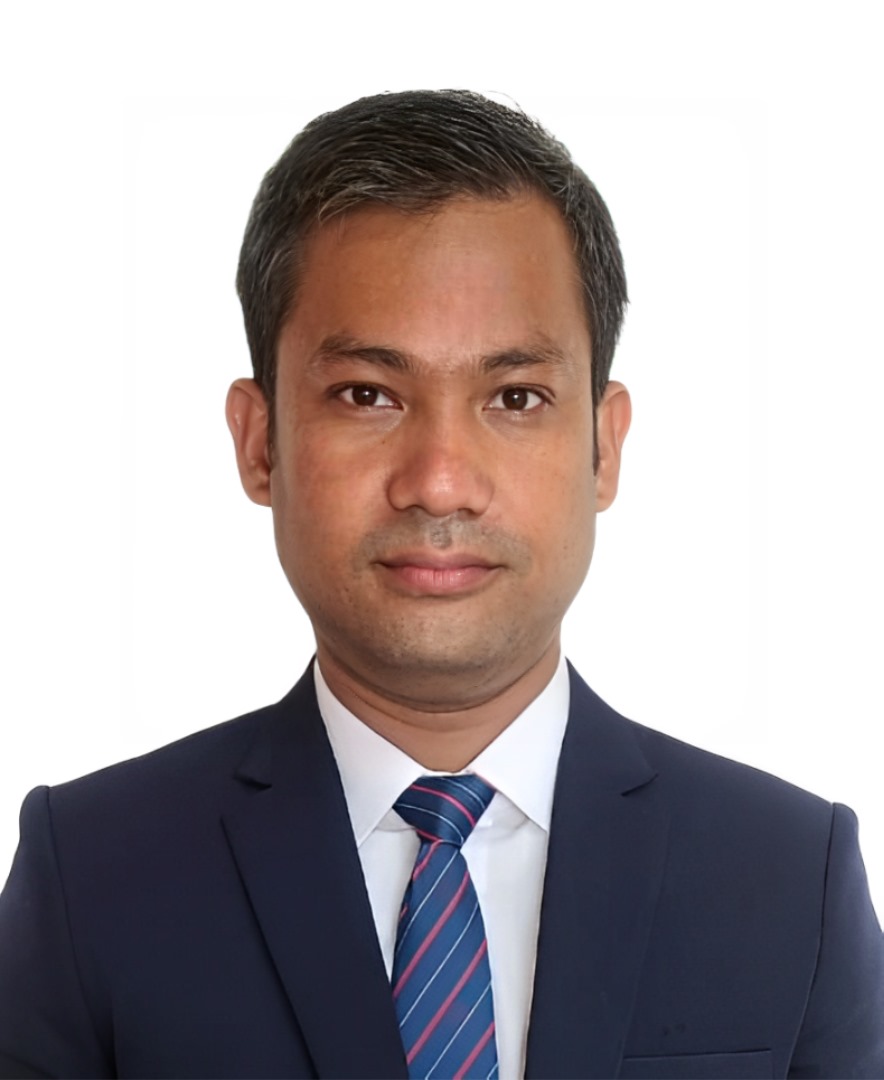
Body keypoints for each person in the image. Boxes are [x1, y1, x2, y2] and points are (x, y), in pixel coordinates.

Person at [0, 90, 881, 1080]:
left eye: (515, 397)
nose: (440, 482)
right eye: (367, 394)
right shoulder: (93, 876)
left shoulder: (787, 877)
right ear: (260, 442)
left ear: (602, 447)